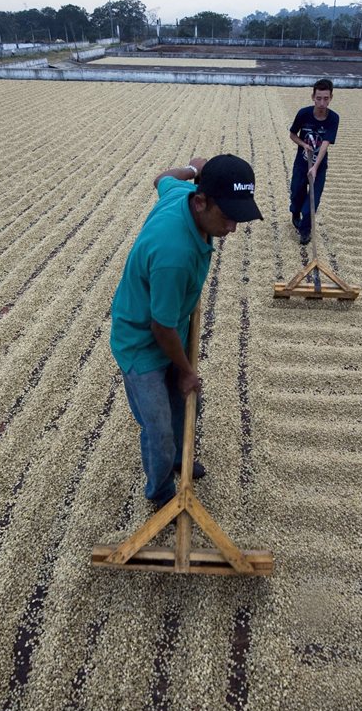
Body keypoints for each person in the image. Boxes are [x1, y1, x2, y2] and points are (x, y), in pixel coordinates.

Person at [110, 154, 263, 507]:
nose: (232, 228)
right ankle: (162, 492)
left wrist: (194, 169)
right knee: (159, 428)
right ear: (201, 202)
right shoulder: (174, 254)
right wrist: (185, 370)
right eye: (227, 217)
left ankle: (182, 458)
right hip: (142, 343)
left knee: (184, 404)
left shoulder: (180, 193)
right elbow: (161, 327)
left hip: (169, 323)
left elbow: (161, 178)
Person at [289, 78, 340, 245]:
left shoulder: (333, 118)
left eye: (326, 98)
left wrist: (316, 167)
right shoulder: (303, 114)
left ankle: (305, 231)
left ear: (331, 98)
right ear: (313, 97)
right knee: (296, 192)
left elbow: (325, 144)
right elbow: (292, 135)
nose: (322, 103)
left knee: (313, 199)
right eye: (319, 98)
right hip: (301, 163)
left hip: (319, 165)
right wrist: (304, 144)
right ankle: (295, 213)